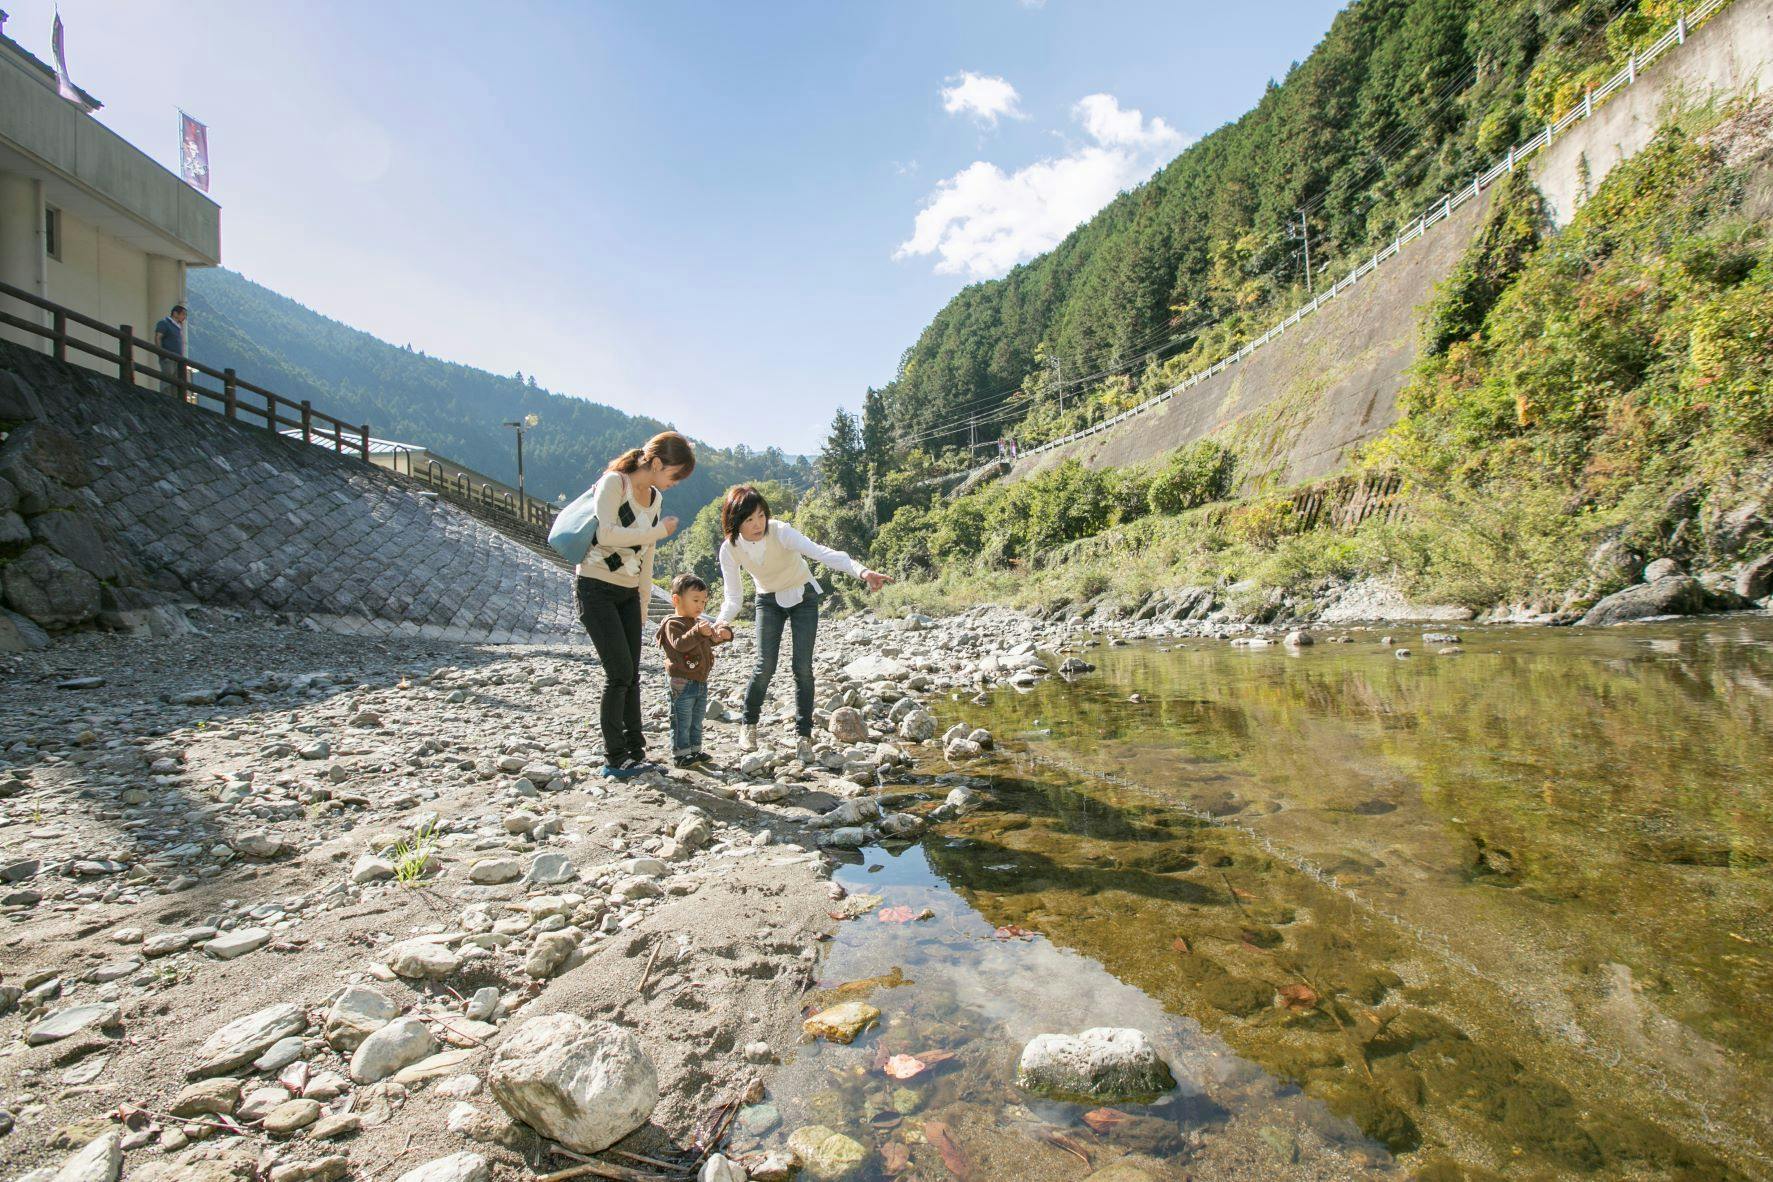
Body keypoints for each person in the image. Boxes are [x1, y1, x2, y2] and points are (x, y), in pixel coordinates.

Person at [714, 484, 891, 753]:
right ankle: (748, 726)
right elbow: (733, 596)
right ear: (735, 521)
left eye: (761, 515)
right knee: (765, 666)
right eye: (749, 519)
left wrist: (862, 571)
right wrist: (721, 621)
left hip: (803, 597)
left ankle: (803, 736)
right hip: (768, 601)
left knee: (802, 668)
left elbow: (822, 553)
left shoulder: (781, 531)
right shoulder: (730, 549)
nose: (758, 523)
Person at [575, 431, 696, 779]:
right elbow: (606, 534)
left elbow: (647, 555)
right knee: (619, 675)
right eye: (675, 475)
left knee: (632, 676)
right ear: (657, 463)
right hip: (595, 589)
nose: (674, 484)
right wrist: (658, 532)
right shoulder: (615, 483)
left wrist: (643, 602)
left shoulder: (654, 498)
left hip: (628, 594)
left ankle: (635, 753)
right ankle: (615, 758)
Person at [655, 573, 732, 768]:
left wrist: (723, 635)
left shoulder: (696, 623)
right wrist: (699, 632)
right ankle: (681, 754)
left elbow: (707, 642)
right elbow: (680, 645)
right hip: (681, 681)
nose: (700, 605)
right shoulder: (673, 623)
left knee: (697, 718)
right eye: (695, 600)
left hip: (699, 680)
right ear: (676, 599)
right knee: (682, 719)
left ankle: (694, 749)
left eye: (703, 602)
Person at [154, 304, 187, 398]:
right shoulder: (164, 323)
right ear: (175, 313)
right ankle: (165, 397)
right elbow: (158, 337)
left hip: (177, 358)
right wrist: (161, 353)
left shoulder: (177, 327)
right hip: (168, 357)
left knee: (175, 382)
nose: (184, 317)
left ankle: (174, 399)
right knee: (167, 379)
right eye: (183, 314)